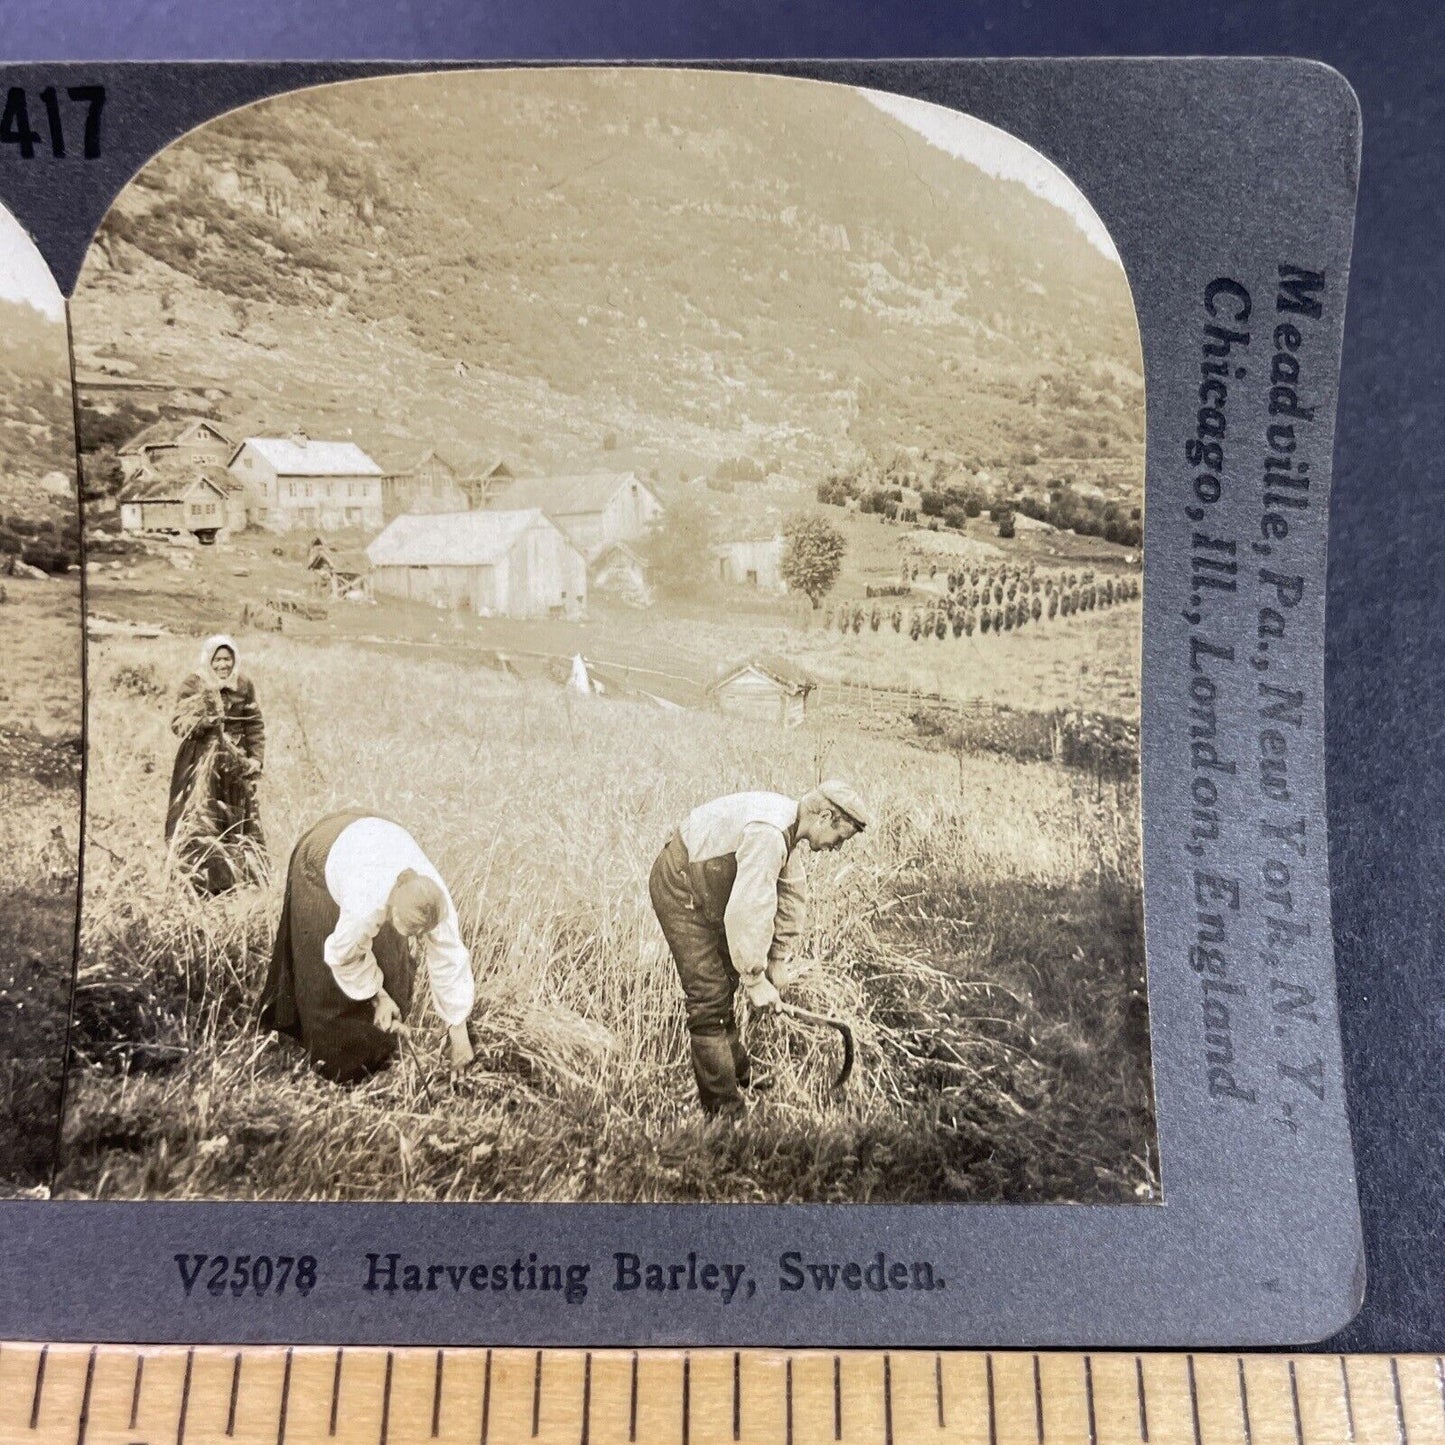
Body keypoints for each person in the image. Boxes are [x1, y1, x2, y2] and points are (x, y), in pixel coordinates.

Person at [649, 781, 870, 1116]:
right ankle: (725, 1113)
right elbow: (749, 907)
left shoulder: (788, 826)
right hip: (681, 887)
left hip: (710, 884)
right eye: (840, 839)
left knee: (725, 983)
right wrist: (755, 978)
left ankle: (739, 1072)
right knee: (708, 997)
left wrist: (777, 960)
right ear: (825, 816)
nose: (836, 849)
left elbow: (791, 894)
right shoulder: (769, 833)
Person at [259, 812, 477, 1084]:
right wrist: (378, 996)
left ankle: (379, 1051)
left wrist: (459, 1036)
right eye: (413, 933)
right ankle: (338, 1070)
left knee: (392, 964)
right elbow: (342, 955)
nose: (420, 940)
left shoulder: (432, 898)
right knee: (326, 984)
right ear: (393, 911)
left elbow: (448, 958)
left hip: (374, 836)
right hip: (323, 853)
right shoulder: (365, 905)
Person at [165, 634, 265, 895]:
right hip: (200, 762)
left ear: (235, 660)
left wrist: (255, 758)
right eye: (217, 659)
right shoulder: (193, 684)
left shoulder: (243, 685)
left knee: (235, 819)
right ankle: (197, 880)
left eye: (227, 659)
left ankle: (235, 883)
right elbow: (178, 724)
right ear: (208, 660)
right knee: (200, 817)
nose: (223, 665)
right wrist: (205, 723)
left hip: (234, 764)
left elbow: (254, 723)